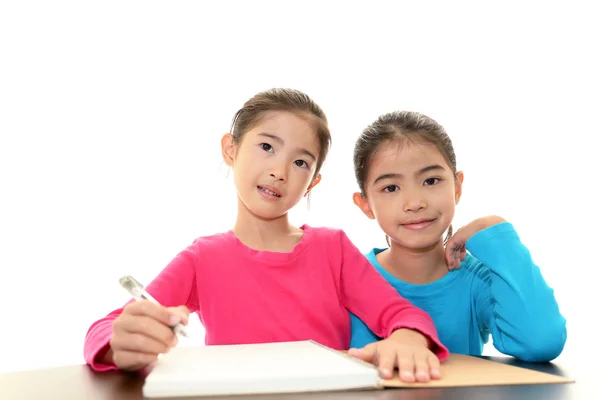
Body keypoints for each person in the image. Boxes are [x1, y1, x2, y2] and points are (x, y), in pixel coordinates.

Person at [83, 89, 449, 383]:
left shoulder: (332, 248)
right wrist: (119, 342)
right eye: (267, 147)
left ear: (313, 182)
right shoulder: (202, 258)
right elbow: (104, 329)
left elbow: (402, 314)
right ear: (231, 149)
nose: (279, 171)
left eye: (301, 162)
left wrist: (408, 338)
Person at [349, 110, 567, 362]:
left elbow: (541, 342)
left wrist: (495, 232)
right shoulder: (348, 278)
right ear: (365, 204)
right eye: (391, 188)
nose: (415, 202)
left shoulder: (478, 280)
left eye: (431, 180)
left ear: (457, 187)